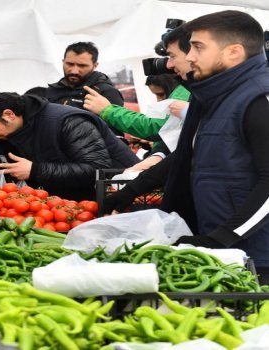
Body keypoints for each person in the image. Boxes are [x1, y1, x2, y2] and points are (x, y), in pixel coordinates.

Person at [102, 11, 269, 283]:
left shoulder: (259, 97)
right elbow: (192, 154)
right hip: (224, 249)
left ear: (233, 52)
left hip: (257, 255)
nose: (189, 56)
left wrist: (223, 237)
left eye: (198, 47)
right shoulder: (214, 96)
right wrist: (133, 189)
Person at [0, 88, 139, 200]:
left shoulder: (67, 121)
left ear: (8, 114)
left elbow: (97, 168)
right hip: (67, 205)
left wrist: (35, 170)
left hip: (120, 194)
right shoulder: (2, 134)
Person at [84, 25, 193, 171]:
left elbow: (158, 127)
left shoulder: (184, 90)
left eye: (172, 56)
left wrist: (108, 111)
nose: (169, 64)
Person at [25, 42, 125, 135]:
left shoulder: (107, 93)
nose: (74, 71)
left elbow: (115, 137)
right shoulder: (50, 91)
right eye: (70, 64)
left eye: (82, 66)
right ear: (63, 61)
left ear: (95, 65)